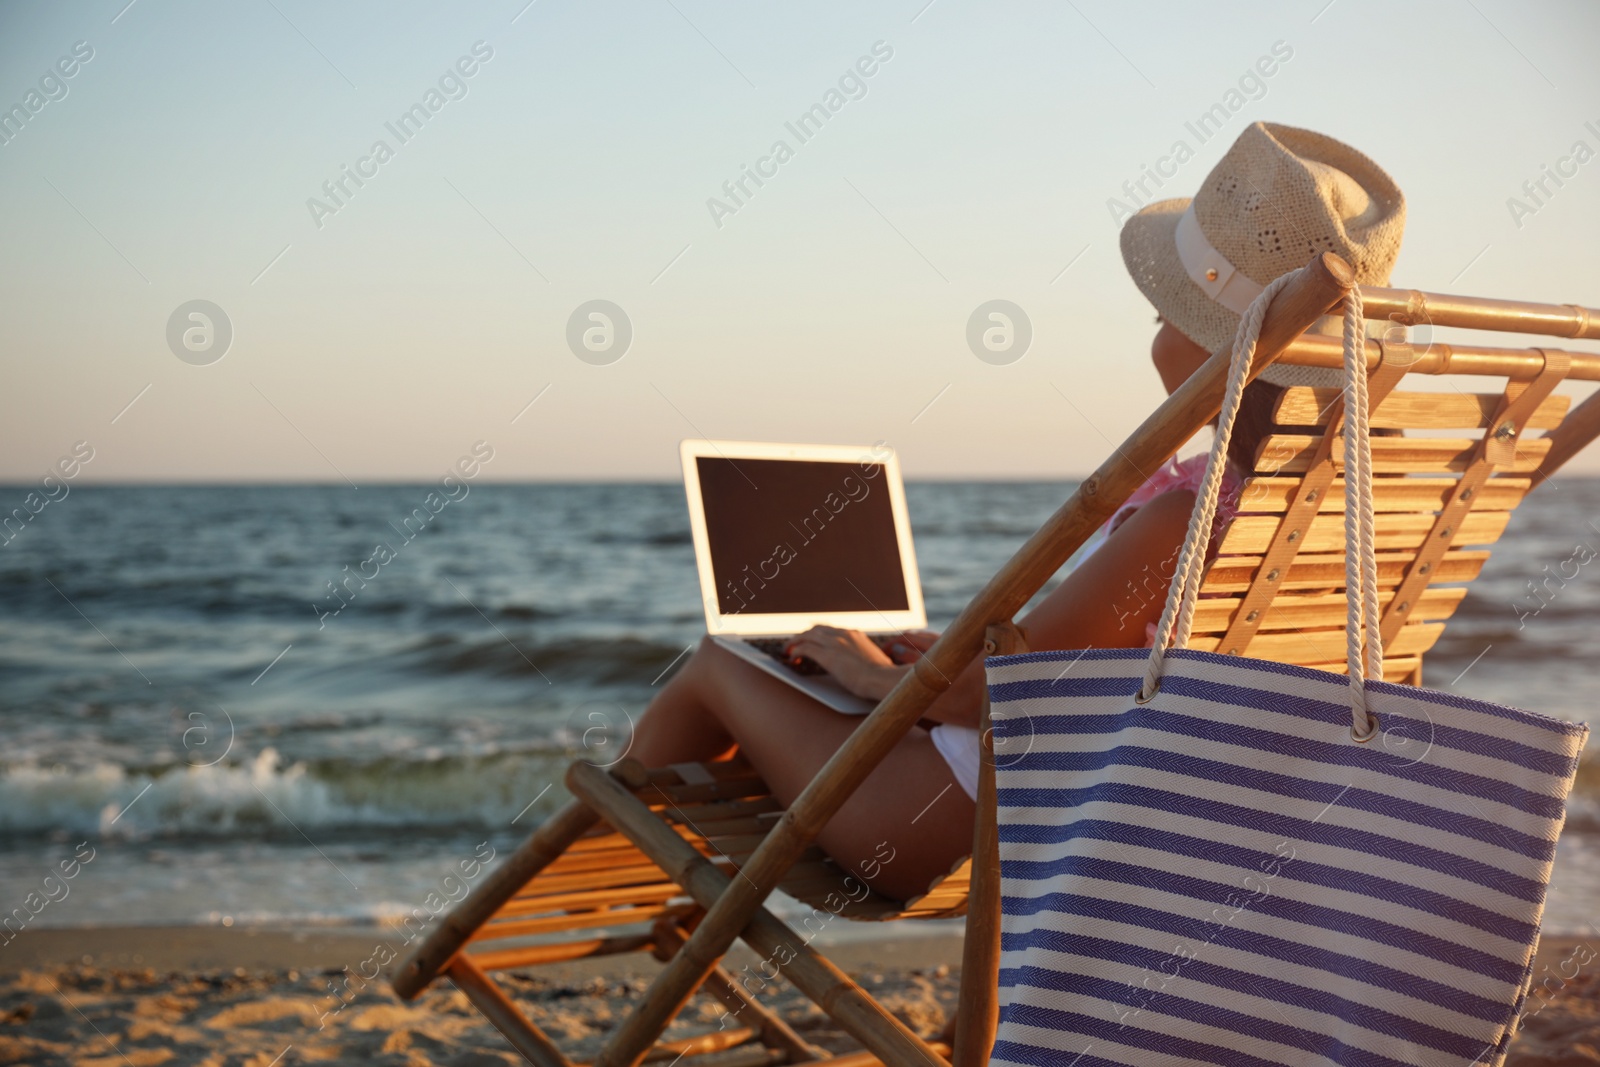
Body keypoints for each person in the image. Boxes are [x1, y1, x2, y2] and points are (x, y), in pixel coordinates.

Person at [629, 121, 1407, 903]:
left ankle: (595, 882)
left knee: (718, 661)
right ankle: (669, 894)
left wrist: (871, 673)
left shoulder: (1189, 520)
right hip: (1100, 820)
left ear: (1215, 350)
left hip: (942, 824)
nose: (1155, 330)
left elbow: (992, 700)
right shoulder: (1313, 519)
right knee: (785, 684)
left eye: (1166, 313)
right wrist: (932, 662)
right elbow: (1071, 669)